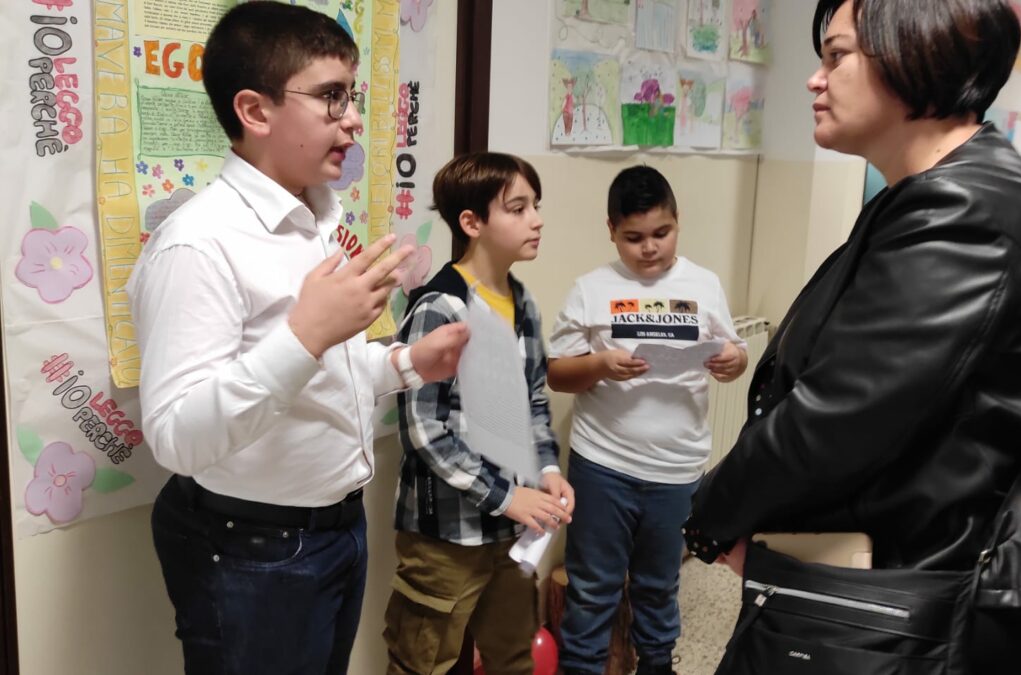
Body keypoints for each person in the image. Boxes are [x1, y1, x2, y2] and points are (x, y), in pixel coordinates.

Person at [683, 1, 1021, 673]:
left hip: (914, 602)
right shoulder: (931, 193)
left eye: (837, 56)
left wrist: (708, 516)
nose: (814, 79)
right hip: (894, 570)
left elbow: (834, 417)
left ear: (913, 53)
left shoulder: (967, 213)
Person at [127, 3, 468, 674]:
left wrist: (407, 362)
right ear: (255, 111)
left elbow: (320, 374)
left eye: (352, 94)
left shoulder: (314, 218)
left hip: (336, 530)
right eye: (331, 96)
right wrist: (306, 333)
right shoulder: (197, 244)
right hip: (252, 548)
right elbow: (175, 437)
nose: (353, 118)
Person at [548, 165, 748, 675]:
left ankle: (657, 666)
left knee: (659, 588)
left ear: (677, 221)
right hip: (603, 466)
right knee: (592, 589)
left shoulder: (704, 285)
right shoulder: (591, 288)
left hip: (677, 470)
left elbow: (735, 353)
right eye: (633, 238)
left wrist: (734, 361)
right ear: (611, 230)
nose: (650, 248)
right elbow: (556, 374)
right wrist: (599, 365)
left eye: (662, 232)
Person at [383, 152, 574, 675]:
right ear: (472, 222)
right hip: (446, 537)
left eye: (536, 206)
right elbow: (425, 431)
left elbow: (533, 402)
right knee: (423, 663)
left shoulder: (522, 303)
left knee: (514, 657)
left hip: (512, 535)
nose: (536, 220)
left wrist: (547, 470)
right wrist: (507, 497)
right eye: (518, 208)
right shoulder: (440, 306)